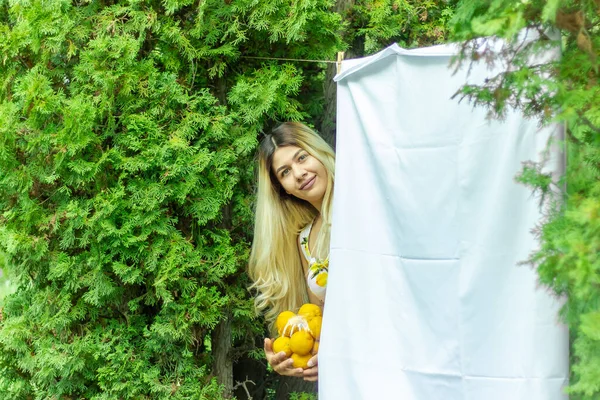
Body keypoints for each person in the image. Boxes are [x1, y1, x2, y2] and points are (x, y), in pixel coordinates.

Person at [248, 122, 335, 382]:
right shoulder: (306, 240)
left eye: (302, 157)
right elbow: (319, 320)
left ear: (318, 152)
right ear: (282, 188)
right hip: (354, 370)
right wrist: (293, 356)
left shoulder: (366, 203)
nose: (299, 173)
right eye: (285, 172)